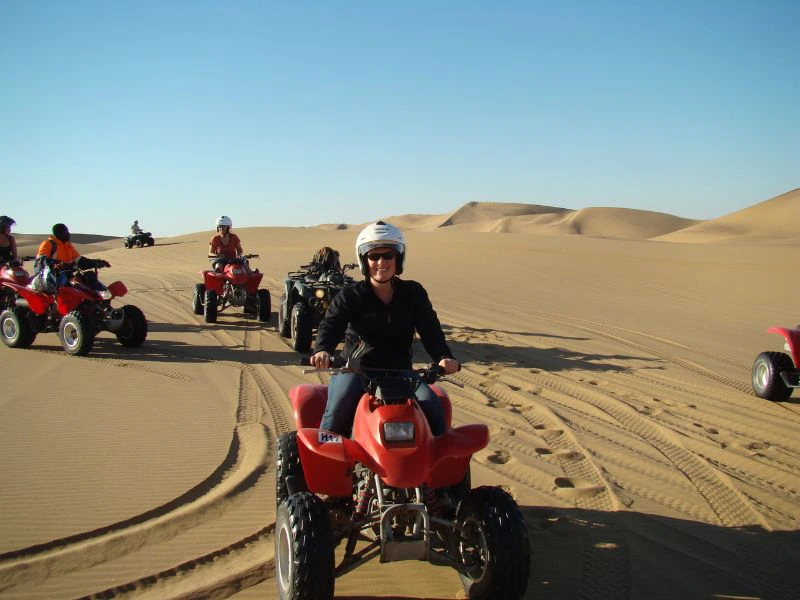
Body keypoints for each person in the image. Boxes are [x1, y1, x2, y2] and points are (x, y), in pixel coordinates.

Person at [310, 221, 460, 437]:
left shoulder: (413, 293)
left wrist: (444, 357)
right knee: (334, 420)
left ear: (398, 259)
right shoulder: (351, 296)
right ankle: (325, 467)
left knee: (435, 415)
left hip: (402, 374)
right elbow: (331, 325)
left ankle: (437, 471)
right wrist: (322, 350)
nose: (381, 262)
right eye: (374, 256)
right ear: (364, 260)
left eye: (388, 255)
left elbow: (431, 330)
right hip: (356, 371)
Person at [33, 223, 111, 292]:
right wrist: (57, 263)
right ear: (59, 233)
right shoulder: (48, 244)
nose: (68, 234)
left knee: (87, 286)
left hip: (68, 277)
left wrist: (97, 262)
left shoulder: (68, 246)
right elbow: (41, 259)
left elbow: (80, 261)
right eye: (66, 231)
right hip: (52, 278)